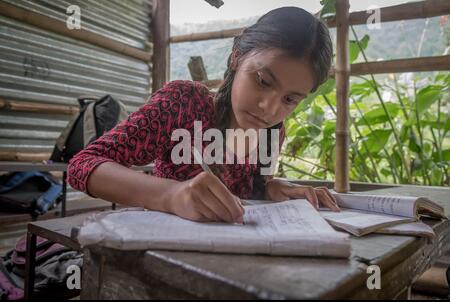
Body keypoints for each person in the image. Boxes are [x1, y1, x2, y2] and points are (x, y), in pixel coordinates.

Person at [67, 7, 340, 224]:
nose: (269, 108)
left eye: (290, 99)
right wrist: (171, 195)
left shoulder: (272, 131)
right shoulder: (184, 104)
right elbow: (82, 165)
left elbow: (251, 190)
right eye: (263, 81)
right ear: (236, 58)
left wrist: (270, 189)